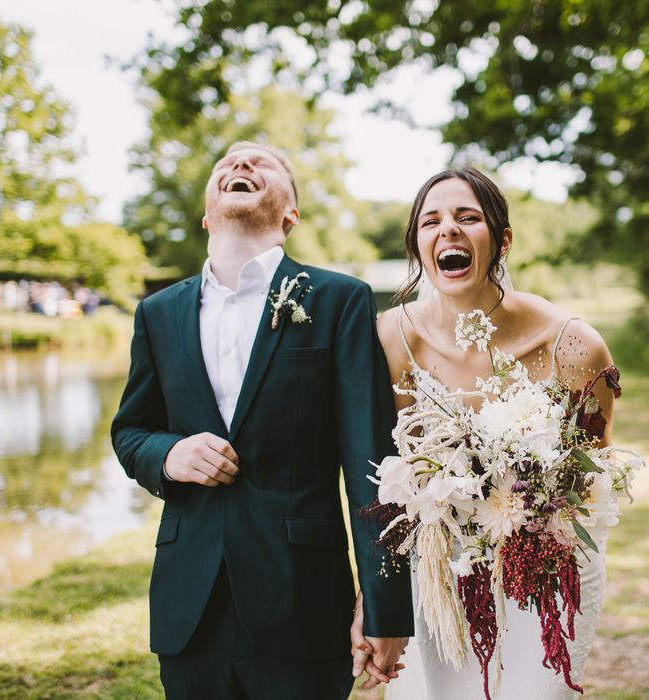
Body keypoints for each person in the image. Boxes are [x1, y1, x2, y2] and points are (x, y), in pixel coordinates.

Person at [111, 141, 413, 699]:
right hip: (189, 605)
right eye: (225, 163)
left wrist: (385, 603)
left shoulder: (340, 300)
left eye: (262, 163)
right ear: (207, 212)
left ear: (290, 214)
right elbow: (130, 433)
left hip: (302, 599)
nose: (240, 165)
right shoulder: (157, 314)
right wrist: (168, 455)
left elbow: (371, 460)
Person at [350, 167, 616, 698]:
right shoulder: (389, 339)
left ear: (502, 240)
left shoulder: (573, 346)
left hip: (543, 571)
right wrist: (373, 600)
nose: (447, 229)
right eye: (431, 221)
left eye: (467, 217)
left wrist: (530, 512)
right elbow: (377, 481)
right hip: (437, 577)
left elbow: (595, 473)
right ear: (419, 245)